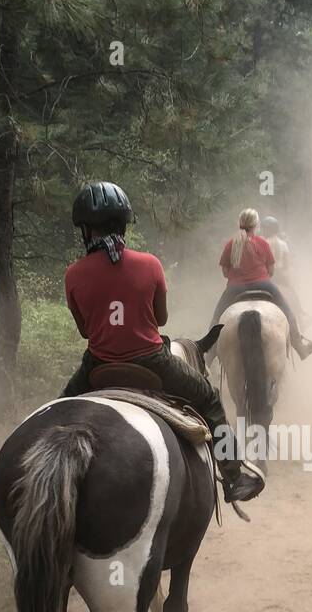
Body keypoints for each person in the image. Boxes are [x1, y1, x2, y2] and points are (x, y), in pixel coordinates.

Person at [61, 181, 264, 504]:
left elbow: (85, 331)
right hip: (152, 361)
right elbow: (161, 319)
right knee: (210, 399)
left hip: (98, 365)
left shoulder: (73, 274)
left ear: (86, 230)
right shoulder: (150, 264)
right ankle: (234, 476)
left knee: (58, 411)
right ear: (124, 225)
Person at [211, 208, 312, 359]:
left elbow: (225, 272)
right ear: (256, 225)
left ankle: (208, 355)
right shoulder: (262, 243)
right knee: (288, 312)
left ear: (239, 224)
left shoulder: (230, 244)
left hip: (235, 287)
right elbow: (271, 271)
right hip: (263, 284)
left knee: (216, 318)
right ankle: (299, 345)